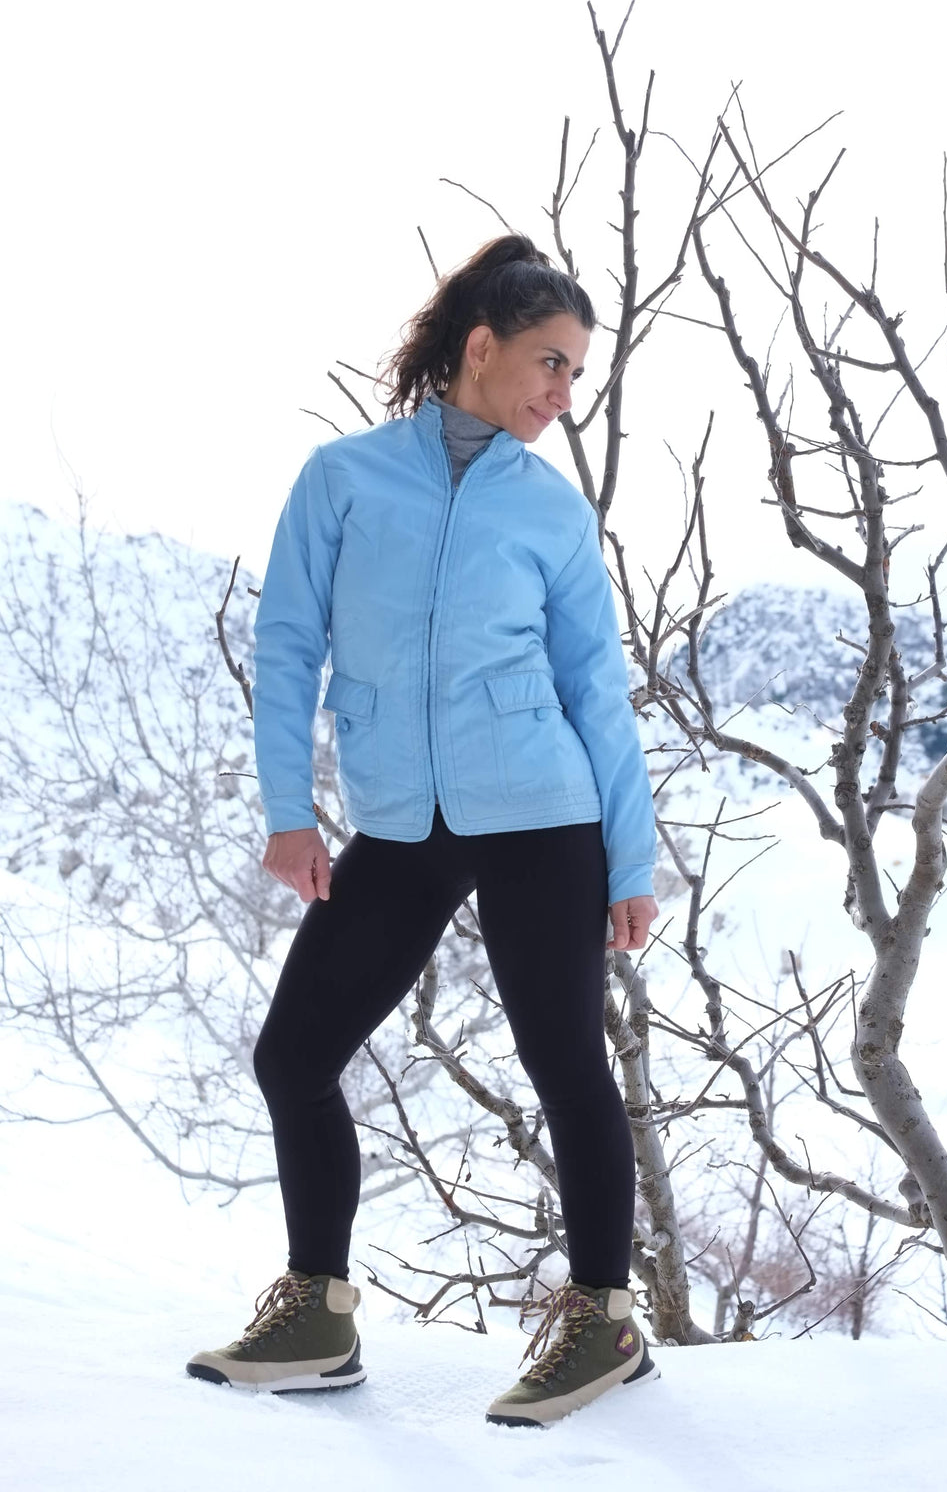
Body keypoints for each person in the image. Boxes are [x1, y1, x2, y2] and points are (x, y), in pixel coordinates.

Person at [186, 233, 661, 1427]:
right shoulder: (345, 477)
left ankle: (602, 1322)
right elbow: (288, 644)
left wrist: (629, 858)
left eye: (576, 376)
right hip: (402, 824)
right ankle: (317, 1313)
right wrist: (289, 813)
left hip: (543, 815)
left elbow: (594, 687)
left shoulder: (552, 513)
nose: (562, 395)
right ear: (480, 347)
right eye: (549, 364)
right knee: (294, 1053)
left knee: (563, 1064)